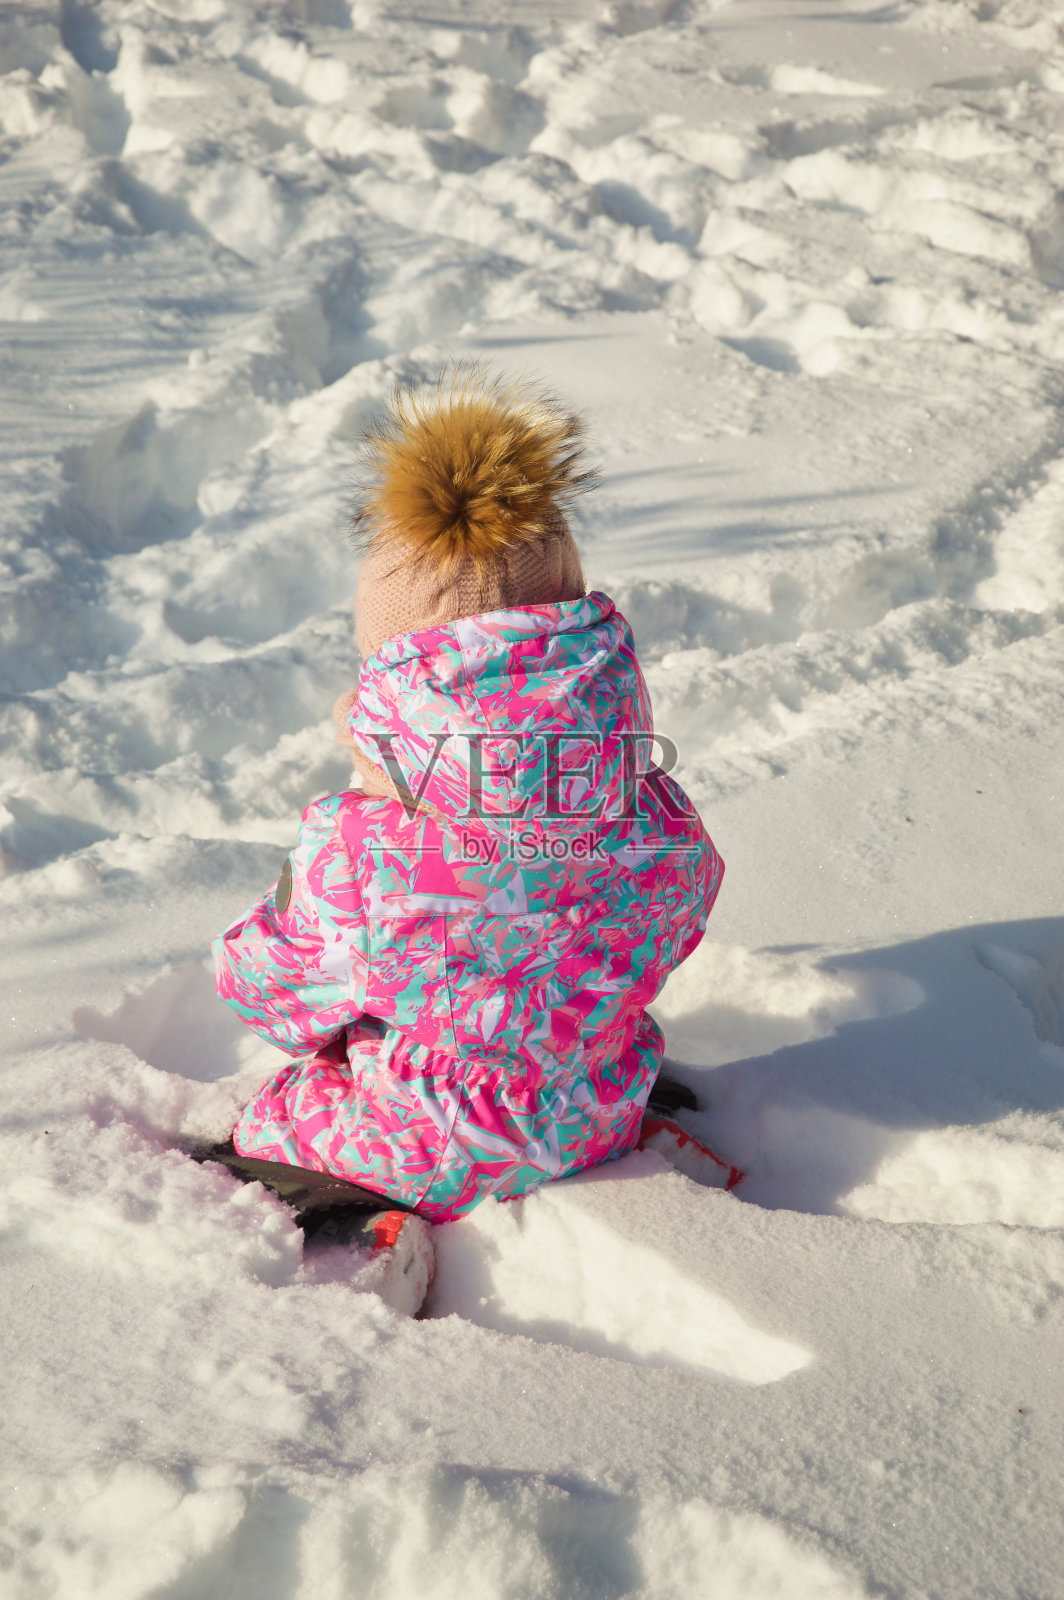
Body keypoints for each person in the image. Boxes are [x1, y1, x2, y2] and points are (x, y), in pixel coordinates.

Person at [210, 370, 724, 1240]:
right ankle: (611, 1151)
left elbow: (269, 991)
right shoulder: (651, 810)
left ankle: (362, 1240)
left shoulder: (366, 852)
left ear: (398, 676)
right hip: (596, 1106)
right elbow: (682, 911)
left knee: (255, 1145)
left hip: (420, 1143)